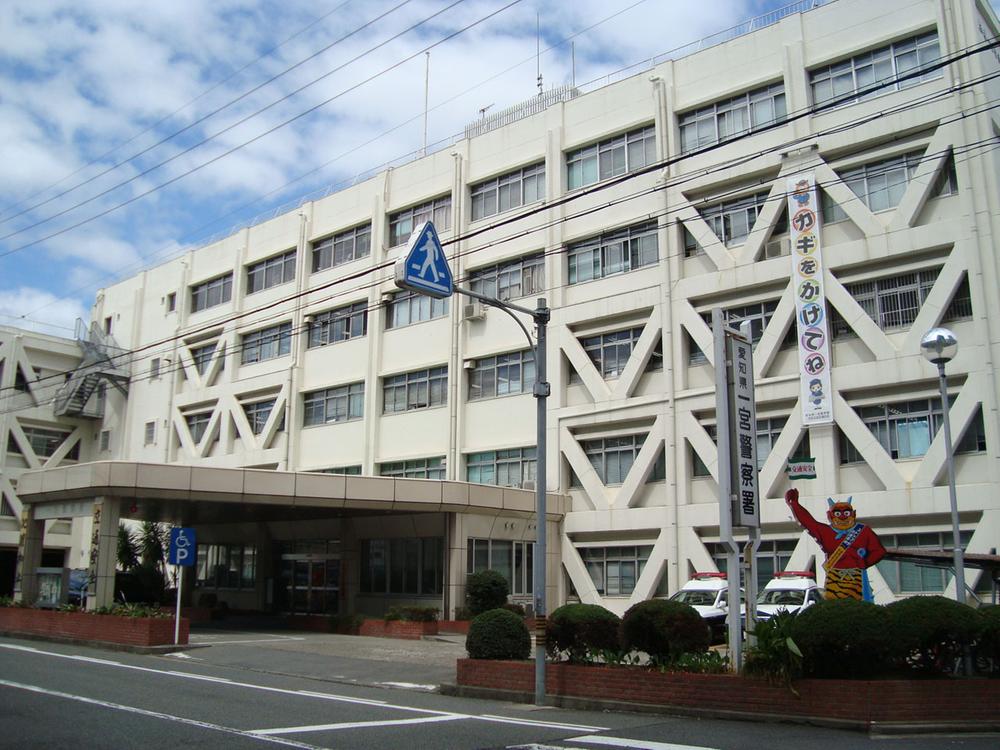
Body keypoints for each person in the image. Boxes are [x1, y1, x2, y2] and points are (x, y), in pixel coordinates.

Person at [785, 488, 886, 601]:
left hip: (857, 578)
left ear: (853, 514)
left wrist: (862, 563)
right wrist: (794, 504)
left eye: (846, 513)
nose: (843, 516)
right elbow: (808, 522)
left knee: (858, 607)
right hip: (835, 579)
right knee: (841, 607)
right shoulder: (827, 532)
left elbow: (879, 551)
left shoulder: (863, 531)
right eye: (838, 513)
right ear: (830, 515)